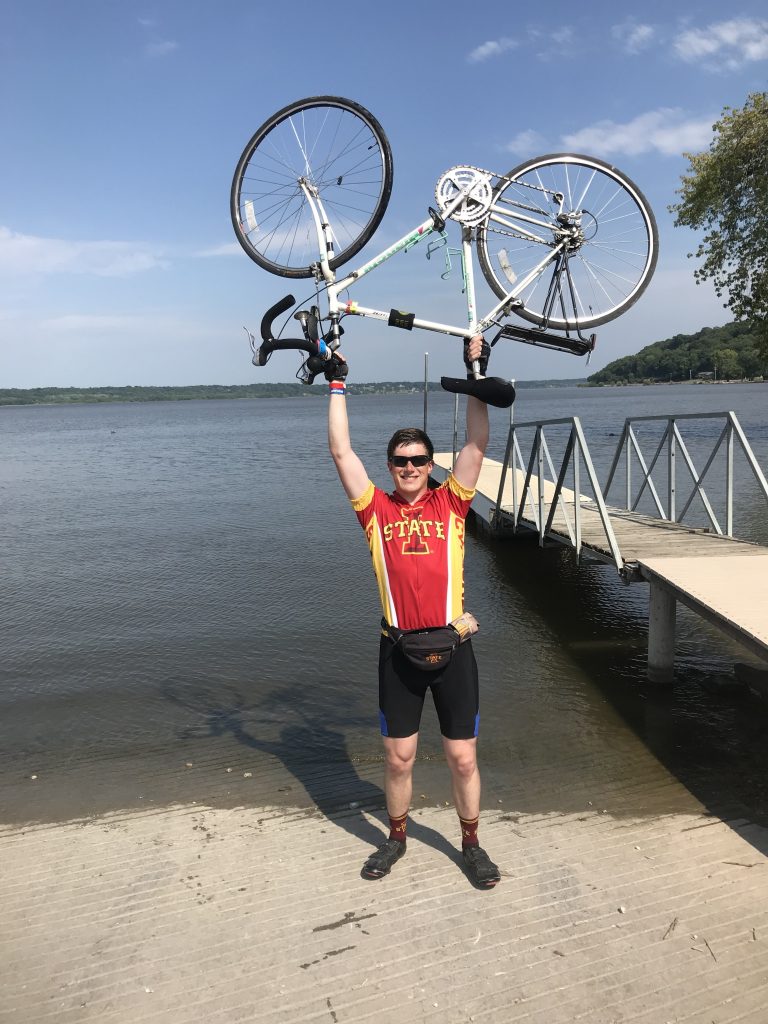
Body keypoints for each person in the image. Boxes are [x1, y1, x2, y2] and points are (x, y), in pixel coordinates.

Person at [326, 335, 501, 890]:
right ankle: (397, 836)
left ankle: (471, 844)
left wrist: (475, 373)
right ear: (390, 466)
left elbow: (476, 442)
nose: (409, 467)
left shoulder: (452, 502)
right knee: (399, 758)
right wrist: (337, 381)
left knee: (462, 758)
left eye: (418, 460)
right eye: (400, 461)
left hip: (454, 648)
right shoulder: (373, 509)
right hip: (398, 649)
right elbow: (340, 452)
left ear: (431, 464)